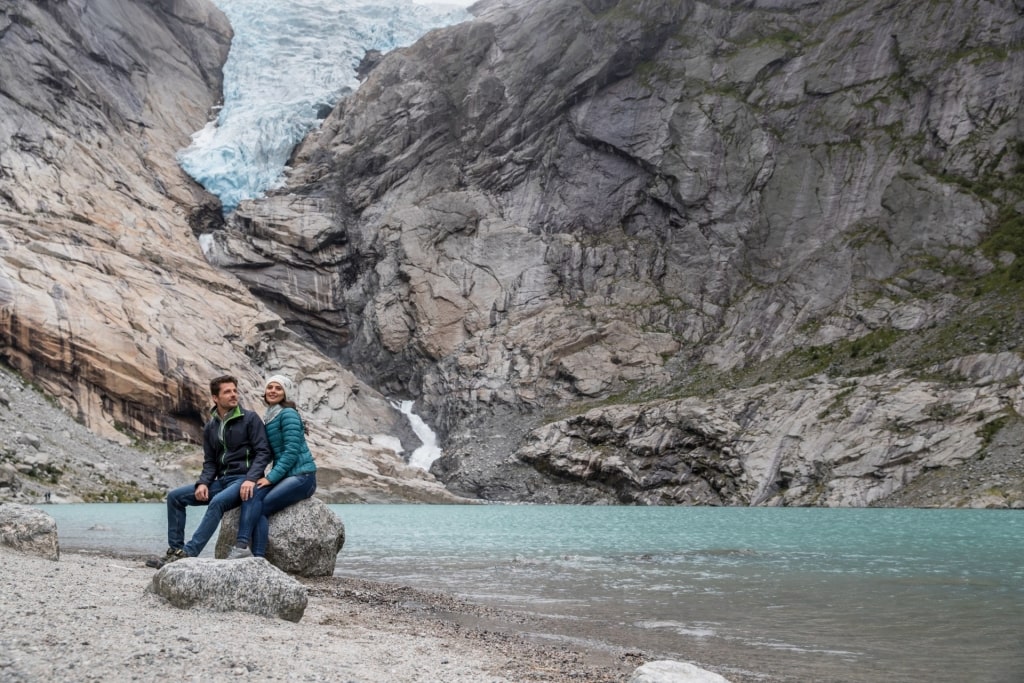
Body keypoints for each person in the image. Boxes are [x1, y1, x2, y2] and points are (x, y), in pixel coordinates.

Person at [147, 375, 272, 568]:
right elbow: (210, 462)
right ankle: (175, 550)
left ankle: (189, 552)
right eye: (227, 391)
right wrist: (203, 482)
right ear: (215, 398)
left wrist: (251, 478)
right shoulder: (211, 427)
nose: (233, 395)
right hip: (222, 481)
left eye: (235, 390)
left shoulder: (250, 419)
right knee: (175, 497)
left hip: (243, 479)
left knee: (217, 502)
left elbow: (264, 452)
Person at [227, 374, 317, 559]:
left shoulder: (288, 414)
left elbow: (291, 452)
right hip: (287, 476)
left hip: (303, 476)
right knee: (253, 495)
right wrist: (250, 477)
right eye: (270, 387)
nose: (273, 391)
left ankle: (252, 553)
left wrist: (270, 478)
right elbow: (266, 451)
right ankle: (246, 549)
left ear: (285, 393)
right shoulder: (271, 416)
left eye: (278, 388)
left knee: (262, 506)